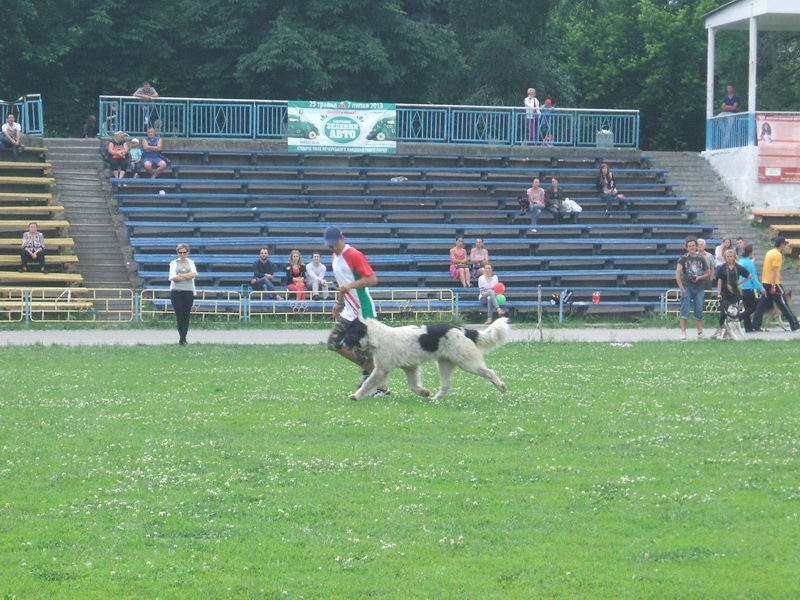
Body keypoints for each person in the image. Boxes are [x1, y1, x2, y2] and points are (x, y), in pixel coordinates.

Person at [324, 225, 390, 398]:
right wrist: (339, 303)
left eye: (335, 244)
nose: (333, 247)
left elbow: (372, 279)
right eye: (330, 245)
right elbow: (342, 283)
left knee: (362, 350)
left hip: (362, 309)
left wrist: (351, 286)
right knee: (334, 343)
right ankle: (368, 373)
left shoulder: (354, 255)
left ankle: (382, 387)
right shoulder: (334, 256)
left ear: (342, 238)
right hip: (349, 309)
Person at [751, 237, 800, 332]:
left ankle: (755, 325)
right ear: (781, 244)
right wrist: (773, 285)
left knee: (761, 305)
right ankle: (794, 324)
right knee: (783, 304)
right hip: (774, 283)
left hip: (765, 282)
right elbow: (774, 270)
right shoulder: (777, 255)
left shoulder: (769, 252)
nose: (785, 246)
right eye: (784, 244)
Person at [675, 236, 711, 341]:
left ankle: (700, 332)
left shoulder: (701, 258)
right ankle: (683, 332)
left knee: (699, 309)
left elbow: (708, 273)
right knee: (684, 310)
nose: (691, 247)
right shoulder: (683, 258)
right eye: (689, 246)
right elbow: (678, 273)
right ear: (687, 247)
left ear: (696, 246)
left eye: (693, 245)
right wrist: (682, 288)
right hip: (687, 287)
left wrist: (699, 277)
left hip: (699, 287)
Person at [714, 248, 750, 335]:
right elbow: (719, 281)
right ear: (725, 257)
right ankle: (721, 328)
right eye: (728, 256)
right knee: (724, 312)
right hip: (724, 291)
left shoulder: (738, 267)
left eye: (731, 256)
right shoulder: (722, 268)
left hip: (734, 292)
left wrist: (740, 282)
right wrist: (719, 293)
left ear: (734, 257)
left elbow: (749, 275)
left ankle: (731, 330)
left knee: (734, 312)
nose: (729, 258)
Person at [168, 243, 197, 346]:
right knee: (180, 315)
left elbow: (193, 274)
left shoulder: (191, 262)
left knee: (186, 315)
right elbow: (173, 277)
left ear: (188, 252)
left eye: (184, 252)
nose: (182, 254)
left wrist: (180, 275)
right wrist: (186, 276)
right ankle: (182, 338)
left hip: (188, 291)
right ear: (177, 253)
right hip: (176, 291)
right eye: (180, 253)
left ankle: (183, 337)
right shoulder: (173, 263)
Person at [737, 244, 765, 332]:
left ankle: (748, 327)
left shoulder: (740, 261)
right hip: (748, 287)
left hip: (741, 287)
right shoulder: (749, 262)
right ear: (751, 252)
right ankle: (740, 317)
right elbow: (753, 277)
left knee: (747, 307)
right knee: (753, 307)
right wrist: (761, 288)